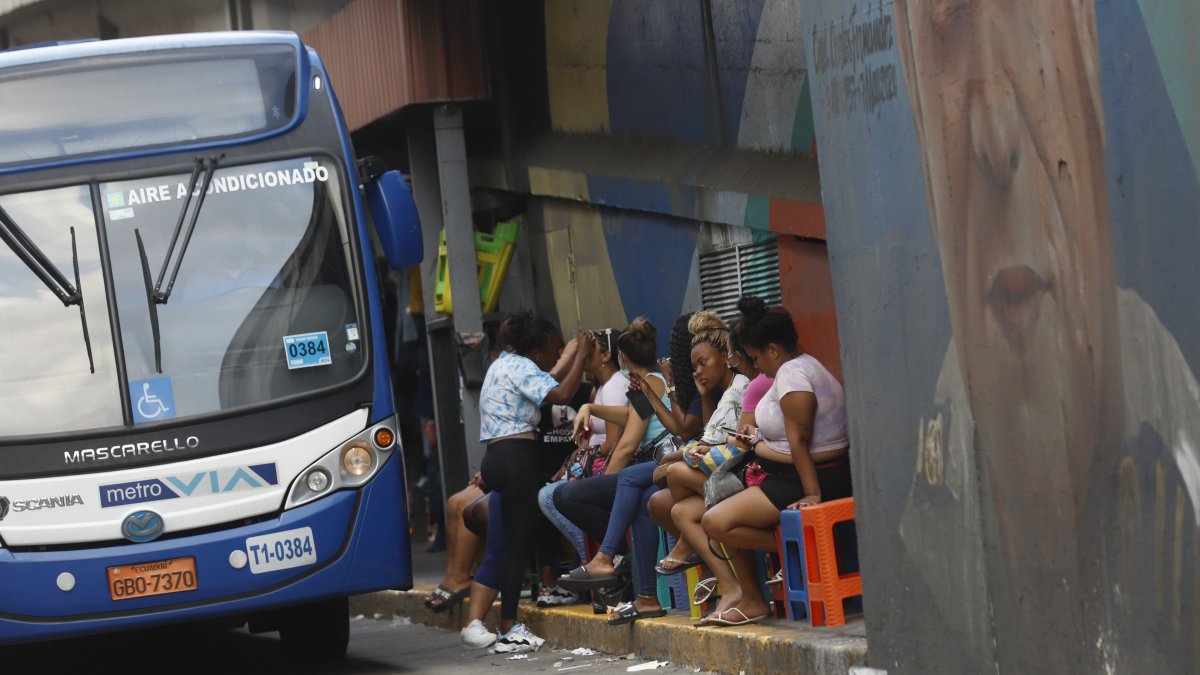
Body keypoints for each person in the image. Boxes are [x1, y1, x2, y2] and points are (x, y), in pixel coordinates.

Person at [699, 297, 848, 626]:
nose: (757, 366)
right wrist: (758, 442)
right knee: (717, 510)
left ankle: (798, 556)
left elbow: (799, 441)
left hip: (809, 476)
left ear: (773, 349)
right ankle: (785, 564)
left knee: (715, 522)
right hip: (789, 471)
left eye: (755, 357)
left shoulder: (793, 377)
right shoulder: (799, 367)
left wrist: (812, 493)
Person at [459, 313, 594, 652]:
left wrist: (566, 357)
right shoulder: (521, 368)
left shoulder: (504, 364)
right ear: (535, 352)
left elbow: (547, 377)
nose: (554, 356)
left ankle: (480, 624)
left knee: (503, 545)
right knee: (519, 546)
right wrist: (580, 355)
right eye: (551, 351)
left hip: (497, 459)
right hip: (517, 458)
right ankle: (508, 627)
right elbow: (562, 393)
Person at [655, 313, 770, 607]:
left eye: (703, 363)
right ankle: (731, 587)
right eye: (693, 366)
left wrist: (684, 454)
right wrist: (705, 396)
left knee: (676, 474)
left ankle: (689, 547)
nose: (697, 372)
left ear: (726, 356)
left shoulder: (742, 387)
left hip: (741, 474)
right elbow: (712, 436)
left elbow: (732, 444)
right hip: (725, 472)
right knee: (678, 509)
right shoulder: (723, 394)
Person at [552, 319, 666, 589]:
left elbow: (626, 445)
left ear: (622, 358)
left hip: (653, 465)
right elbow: (631, 415)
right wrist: (590, 407)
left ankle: (616, 555)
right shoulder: (654, 380)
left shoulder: (645, 385)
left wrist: (605, 483)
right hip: (651, 464)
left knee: (565, 496)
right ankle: (620, 556)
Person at [538, 327, 628, 570]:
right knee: (548, 492)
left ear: (607, 355)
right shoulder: (600, 388)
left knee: (548, 497)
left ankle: (594, 557)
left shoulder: (615, 387)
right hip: (594, 463)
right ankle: (592, 556)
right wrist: (573, 461)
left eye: (591, 350)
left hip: (608, 466)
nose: (585, 354)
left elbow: (612, 442)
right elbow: (592, 438)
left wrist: (585, 460)